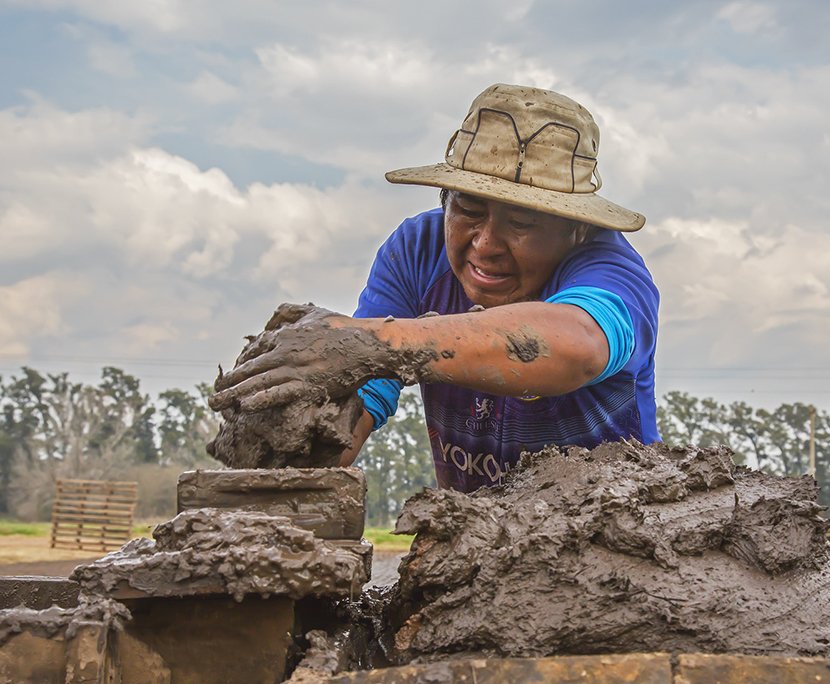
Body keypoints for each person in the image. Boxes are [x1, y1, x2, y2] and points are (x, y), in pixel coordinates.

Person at [210, 83, 660, 492]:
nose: (485, 245)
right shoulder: (418, 251)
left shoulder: (610, 269)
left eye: (521, 223)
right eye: (468, 209)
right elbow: (361, 395)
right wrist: (291, 434)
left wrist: (372, 342)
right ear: (444, 200)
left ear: (575, 229)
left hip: (607, 538)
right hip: (469, 540)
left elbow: (578, 346)